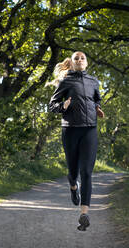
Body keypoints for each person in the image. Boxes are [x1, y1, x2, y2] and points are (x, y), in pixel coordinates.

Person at [48, 51, 105, 231]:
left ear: (86, 63)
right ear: (72, 63)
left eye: (82, 58)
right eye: (76, 58)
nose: (80, 60)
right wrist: (62, 106)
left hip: (90, 129)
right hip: (71, 130)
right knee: (73, 171)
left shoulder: (94, 81)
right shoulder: (65, 82)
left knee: (87, 171)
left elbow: (96, 99)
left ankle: (84, 214)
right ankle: (73, 185)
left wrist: (97, 108)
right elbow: (52, 106)